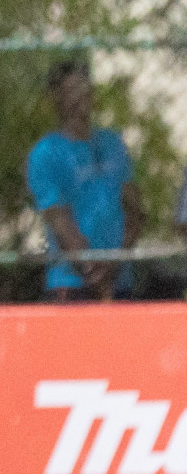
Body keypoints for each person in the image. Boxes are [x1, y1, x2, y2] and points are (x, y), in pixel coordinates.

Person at [27, 60, 142, 301]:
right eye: (70, 91)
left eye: (83, 88)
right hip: (72, 285)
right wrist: (95, 273)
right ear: (56, 97)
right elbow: (60, 222)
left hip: (120, 283)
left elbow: (135, 211)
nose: (79, 98)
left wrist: (115, 263)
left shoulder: (114, 145)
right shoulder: (46, 153)